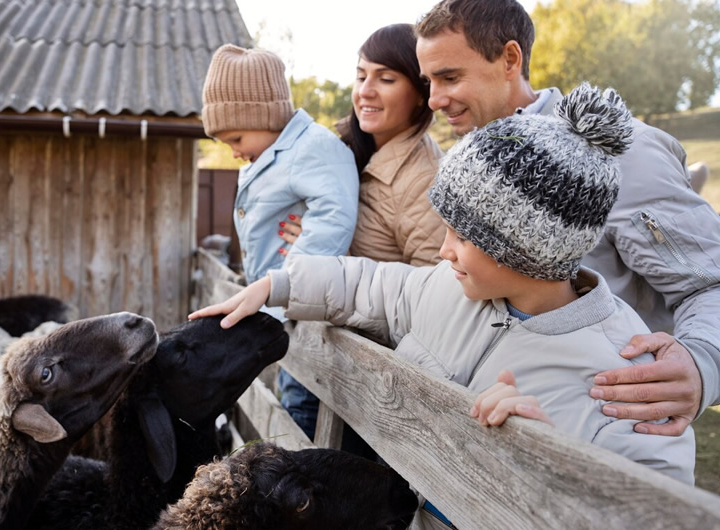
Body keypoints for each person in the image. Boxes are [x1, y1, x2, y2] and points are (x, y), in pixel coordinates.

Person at [190, 83, 695, 527]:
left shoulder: (628, 380)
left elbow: (651, 506)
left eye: (461, 235)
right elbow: (369, 284)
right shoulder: (449, 291)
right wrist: (278, 284)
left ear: (521, 248)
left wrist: (549, 463)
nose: (442, 248)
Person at [414, 0, 720, 437]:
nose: (434, 99)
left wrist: (702, 360)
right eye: (429, 81)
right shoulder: (470, 158)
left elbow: (709, 279)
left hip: (605, 434)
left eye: (449, 77)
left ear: (510, 59)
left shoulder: (622, 158)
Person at [274, 25, 447, 441]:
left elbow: (432, 296)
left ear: (421, 92)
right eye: (361, 75)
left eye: (386, 79)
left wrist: (331, 257)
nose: (366, 90)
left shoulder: (424, 181)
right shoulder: (345, 150)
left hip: (359, 377)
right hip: (313, 349)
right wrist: (311, 231)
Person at [201, 45, 360, 438]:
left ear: (264, 116)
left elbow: (333, 220)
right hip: (281, 310)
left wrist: (289, 277)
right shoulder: (276, 152)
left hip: (302, 308)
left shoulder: (313, 150)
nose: (234, 151)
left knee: (301, 409)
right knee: (290, 390)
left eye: (236, 137)